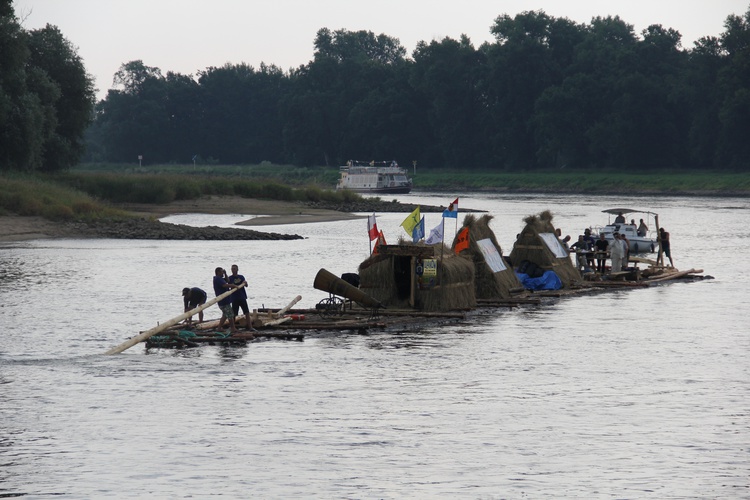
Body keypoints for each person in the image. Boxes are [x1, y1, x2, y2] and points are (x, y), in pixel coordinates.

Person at [228, 264, 254, 332]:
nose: (233, 270)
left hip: (242, 297)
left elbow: (246, 285)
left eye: (234, 269)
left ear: (237, 269)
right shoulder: (230, 278)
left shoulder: (241, 277)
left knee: (246, 312)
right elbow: (228, 285)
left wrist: (245, 283)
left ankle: (250, 327)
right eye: (232, 269)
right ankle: (233, 327)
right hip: (234, 298)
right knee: (234, 314)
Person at [213, 267, 239, 333]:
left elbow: (227, 281)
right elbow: (225, 285)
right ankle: (233, 328)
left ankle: (219, 328)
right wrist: (233, 285)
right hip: (223, 300)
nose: (222, 273)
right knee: (230, 314)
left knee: (225, 315)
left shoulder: (221, 278)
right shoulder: (217, 279)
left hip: (226, 300)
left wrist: (225, 273)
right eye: (221, 272)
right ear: (218, 272)